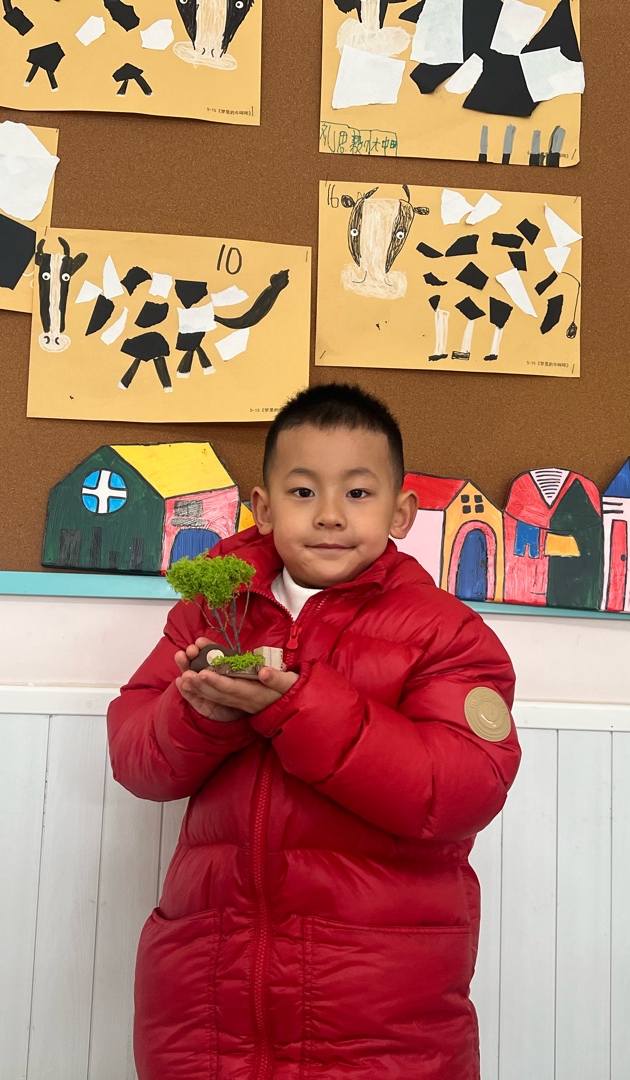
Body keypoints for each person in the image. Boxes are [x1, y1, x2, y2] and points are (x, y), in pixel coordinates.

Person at [108, 383, 520, 1080]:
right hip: (206, 993)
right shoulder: (211, 610)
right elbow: (137, 760)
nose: (329, 514)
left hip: (380, 1000)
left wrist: (294, 707)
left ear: (400, 513)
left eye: (357, 493)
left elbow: (459, 791)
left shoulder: (445, 631)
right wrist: (203, 715)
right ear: (264, 508)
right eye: (302, 492)